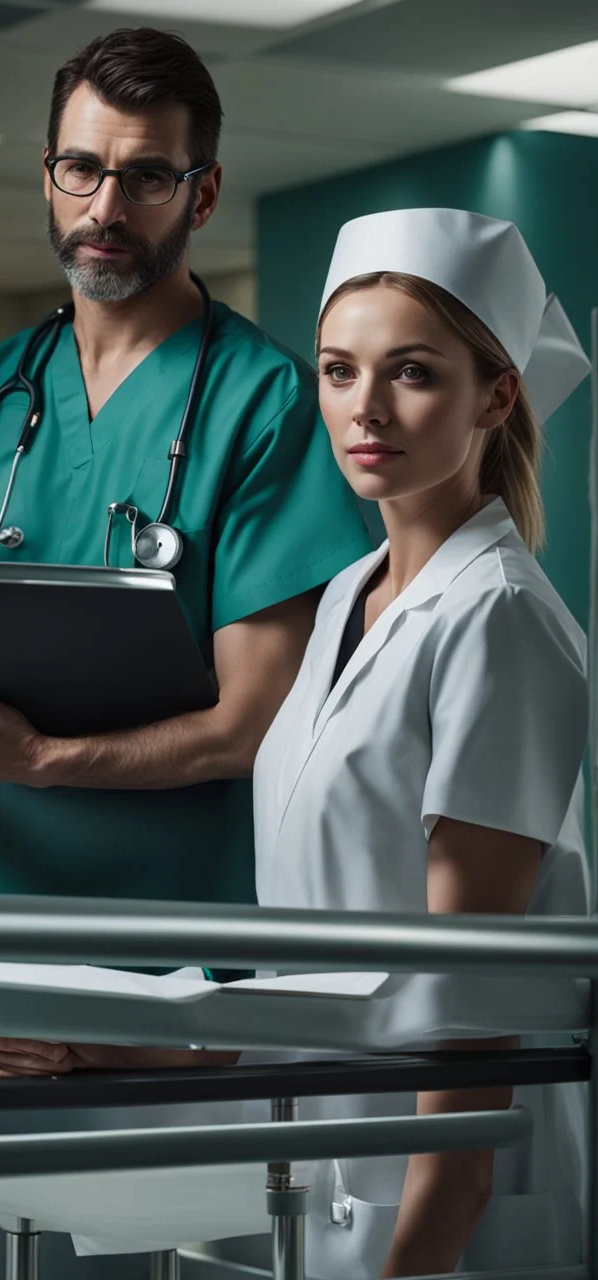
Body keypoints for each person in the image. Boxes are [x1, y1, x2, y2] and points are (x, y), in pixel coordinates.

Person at [0, 25, 371, 1278]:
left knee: (158, 1254)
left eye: (147, 175)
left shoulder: (264, 403)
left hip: (177, 965)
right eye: (82, 169)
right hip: (2, 948)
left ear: (200, 191)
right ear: (46, 175)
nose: (108, 205)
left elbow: (249, 718)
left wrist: (32, 753)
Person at [252, 207, 591, 1278]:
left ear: (497, 394)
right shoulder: (351, 593)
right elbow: (318, 918)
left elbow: (473, 997)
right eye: (339, 370)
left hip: (433, 1194)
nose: (365, 408)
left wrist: (428, 1240)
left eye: (411, 373)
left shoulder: (498, 616)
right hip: (322, 1143)